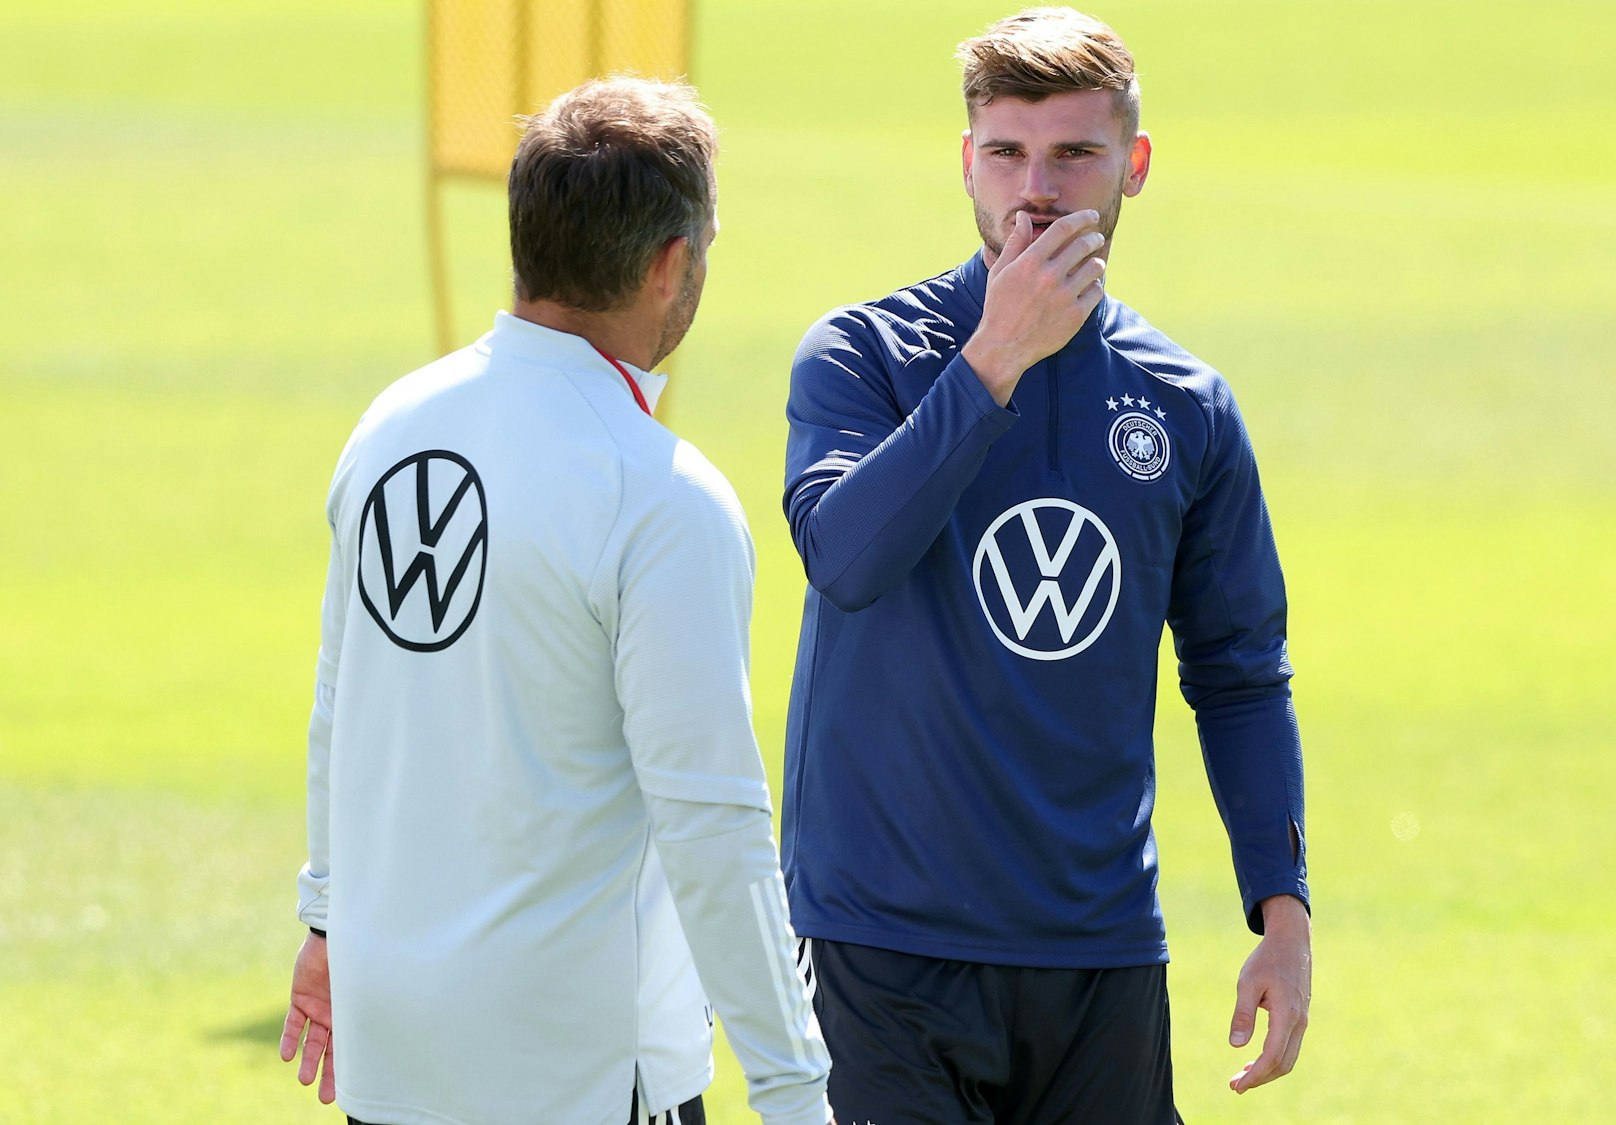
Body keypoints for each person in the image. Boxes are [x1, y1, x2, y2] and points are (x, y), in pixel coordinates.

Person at [779, 8, 1311, 1122]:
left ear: (1135, 165)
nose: (1038, 188)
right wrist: (994, 358)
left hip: (1097, 954)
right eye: (1005, 153)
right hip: (883, 948)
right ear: (963, 162)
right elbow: (845, 557)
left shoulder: (1185, 406)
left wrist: (1281, 907)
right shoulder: (863, 356)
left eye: (1074, 154)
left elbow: (1237, 669)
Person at [281, 76, 831, 1125]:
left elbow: (338, 706)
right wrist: (796, 1091)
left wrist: (322, 921)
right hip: (577, 1079)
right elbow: (714, 826)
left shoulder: (392, 426)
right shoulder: (662, 498)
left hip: (396, 1061)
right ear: (673, 262)